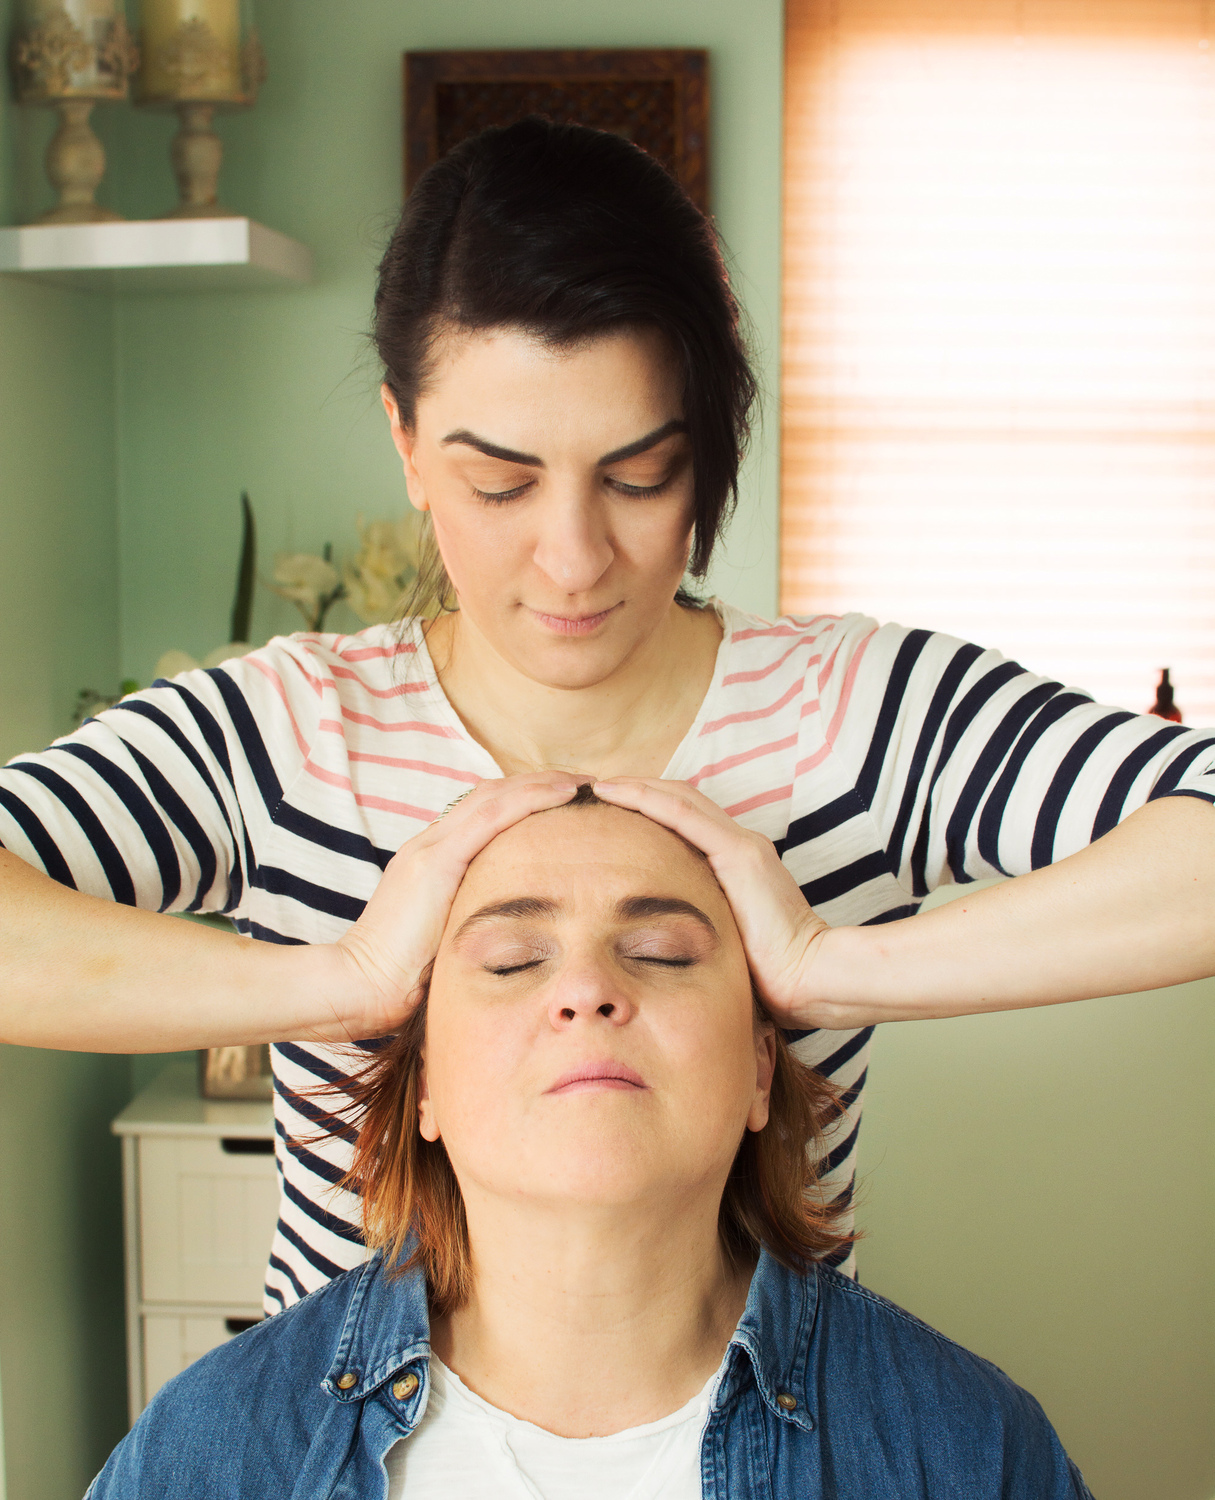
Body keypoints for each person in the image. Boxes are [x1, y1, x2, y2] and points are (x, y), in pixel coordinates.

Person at [2, 118, 1215, 1312]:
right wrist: (348, 982)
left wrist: (832, 968)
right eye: (500, 484)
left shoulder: (846, 713)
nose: (574, 560)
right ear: (407, 444)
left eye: (640, 477)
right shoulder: (290, 732)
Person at [85, 787, 1093, 1500]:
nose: (586, 989)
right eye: (511, 960)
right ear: (424, 1084)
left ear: (759, 1072)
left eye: (661, 952)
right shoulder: (216, 1447)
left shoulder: (965, 1447)